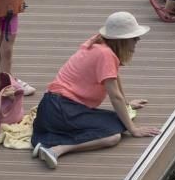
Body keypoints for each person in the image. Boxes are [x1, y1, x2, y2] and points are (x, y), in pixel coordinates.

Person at [30, 12, 161, 169]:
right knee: (113, 136)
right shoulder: (105, 54)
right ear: (122, 40)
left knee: (118, 121)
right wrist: (134, 130)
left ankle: (50, 142)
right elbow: (114, 97)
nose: (138, 40)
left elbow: (114, 76)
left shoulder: (101, 45)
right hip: (62, 109)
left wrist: (127, 104)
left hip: (53, 107)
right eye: (134, 37)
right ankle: (56, 149)